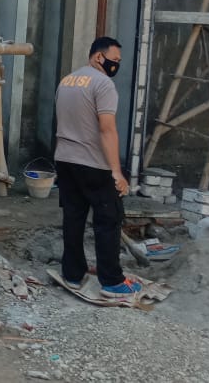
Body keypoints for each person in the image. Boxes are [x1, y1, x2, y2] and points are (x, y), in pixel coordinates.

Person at [55, 36, 143, 297]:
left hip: (65, 159)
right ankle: (112, 281)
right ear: (98, 57)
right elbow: (107, 129)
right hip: (93, 162)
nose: (116, 65)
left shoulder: (67, 81)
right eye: (114, 60)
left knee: (74, 217)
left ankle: (72, 274)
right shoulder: (103, 84)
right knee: (108, 218)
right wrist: (116, 171)